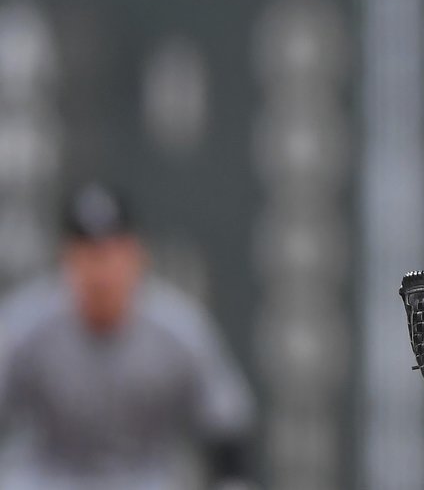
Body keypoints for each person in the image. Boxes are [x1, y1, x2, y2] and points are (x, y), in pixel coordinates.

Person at [0, 183, 257, 490]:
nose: (101, 271)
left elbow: (226, 420)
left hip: (145, 480)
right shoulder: (27, 323)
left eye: (111, 253)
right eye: (88, 255)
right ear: (66, 260)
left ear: (137, 255)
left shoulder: (175, 326)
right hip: (45, 479)